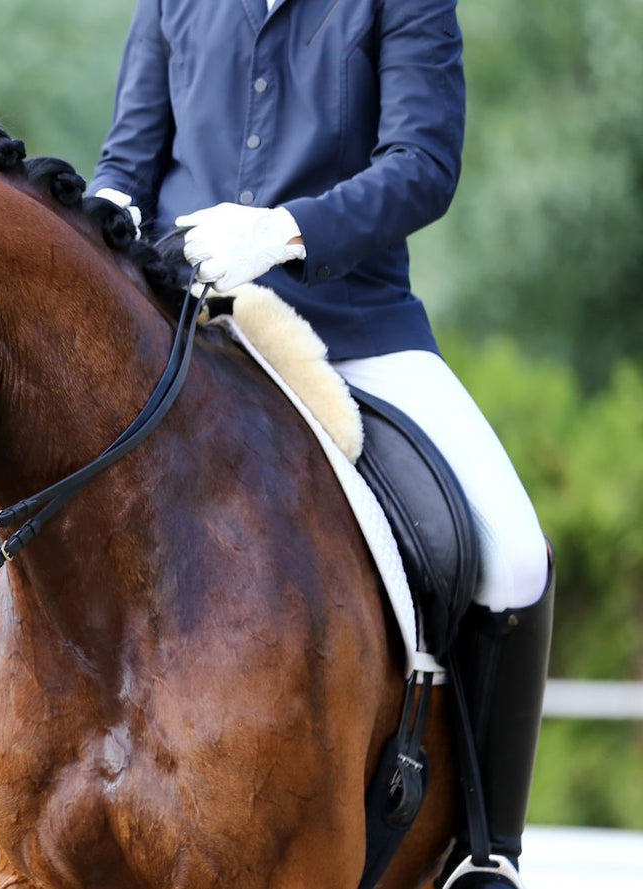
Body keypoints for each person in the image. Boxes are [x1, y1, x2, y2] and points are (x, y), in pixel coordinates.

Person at [86, 1, 553, 886]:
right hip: (184, 324)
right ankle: (11, 819)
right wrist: (100, 220)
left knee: (516, 556)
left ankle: (486, 853)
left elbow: (423, 165)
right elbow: (127, 162)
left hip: (355, 330)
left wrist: (283, 232)